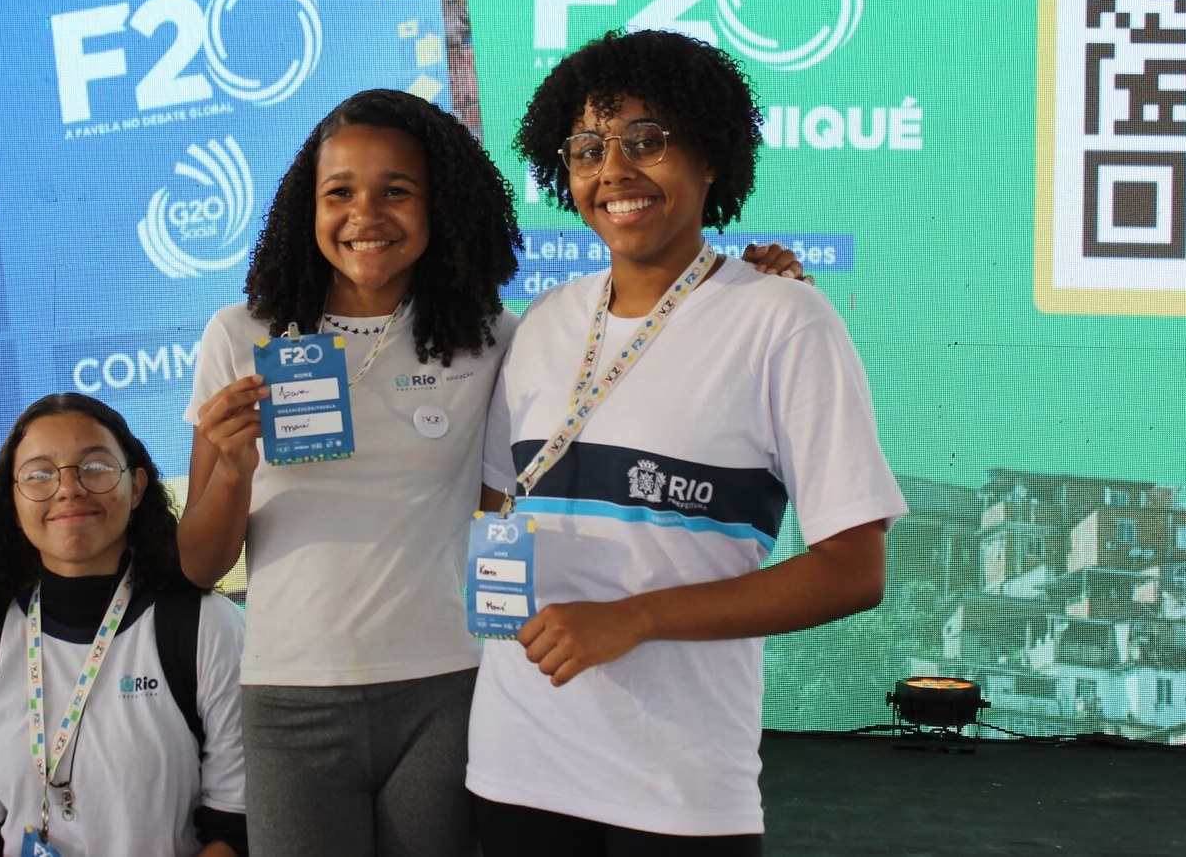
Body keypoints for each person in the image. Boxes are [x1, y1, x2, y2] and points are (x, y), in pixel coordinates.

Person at [181, 88, 809, 857]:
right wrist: (234, 470)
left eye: (397, 191)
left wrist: (746, 287)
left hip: (448, 686)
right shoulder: (239, 336)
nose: (365, 214)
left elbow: (625, 361)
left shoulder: (495, 337)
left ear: (441, 204)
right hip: (288, 693)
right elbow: (201, 562)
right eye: (338, 192)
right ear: (303, 207)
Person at [466, 29, 909, 856]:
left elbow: (856, 569)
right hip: (513, 763)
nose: (615, 171)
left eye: (648, 140)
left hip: (678, 786)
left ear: (713, 158)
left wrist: (633, 618)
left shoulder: (784, 321)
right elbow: (495, 513)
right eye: (589, 148)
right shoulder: (543, 325)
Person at [0, 392, 248, 857]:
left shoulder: (205, 629)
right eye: (39, 474)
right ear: (13, 501)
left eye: (94, 467)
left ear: (136, 488)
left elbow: (234, 827)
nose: (68, 488)